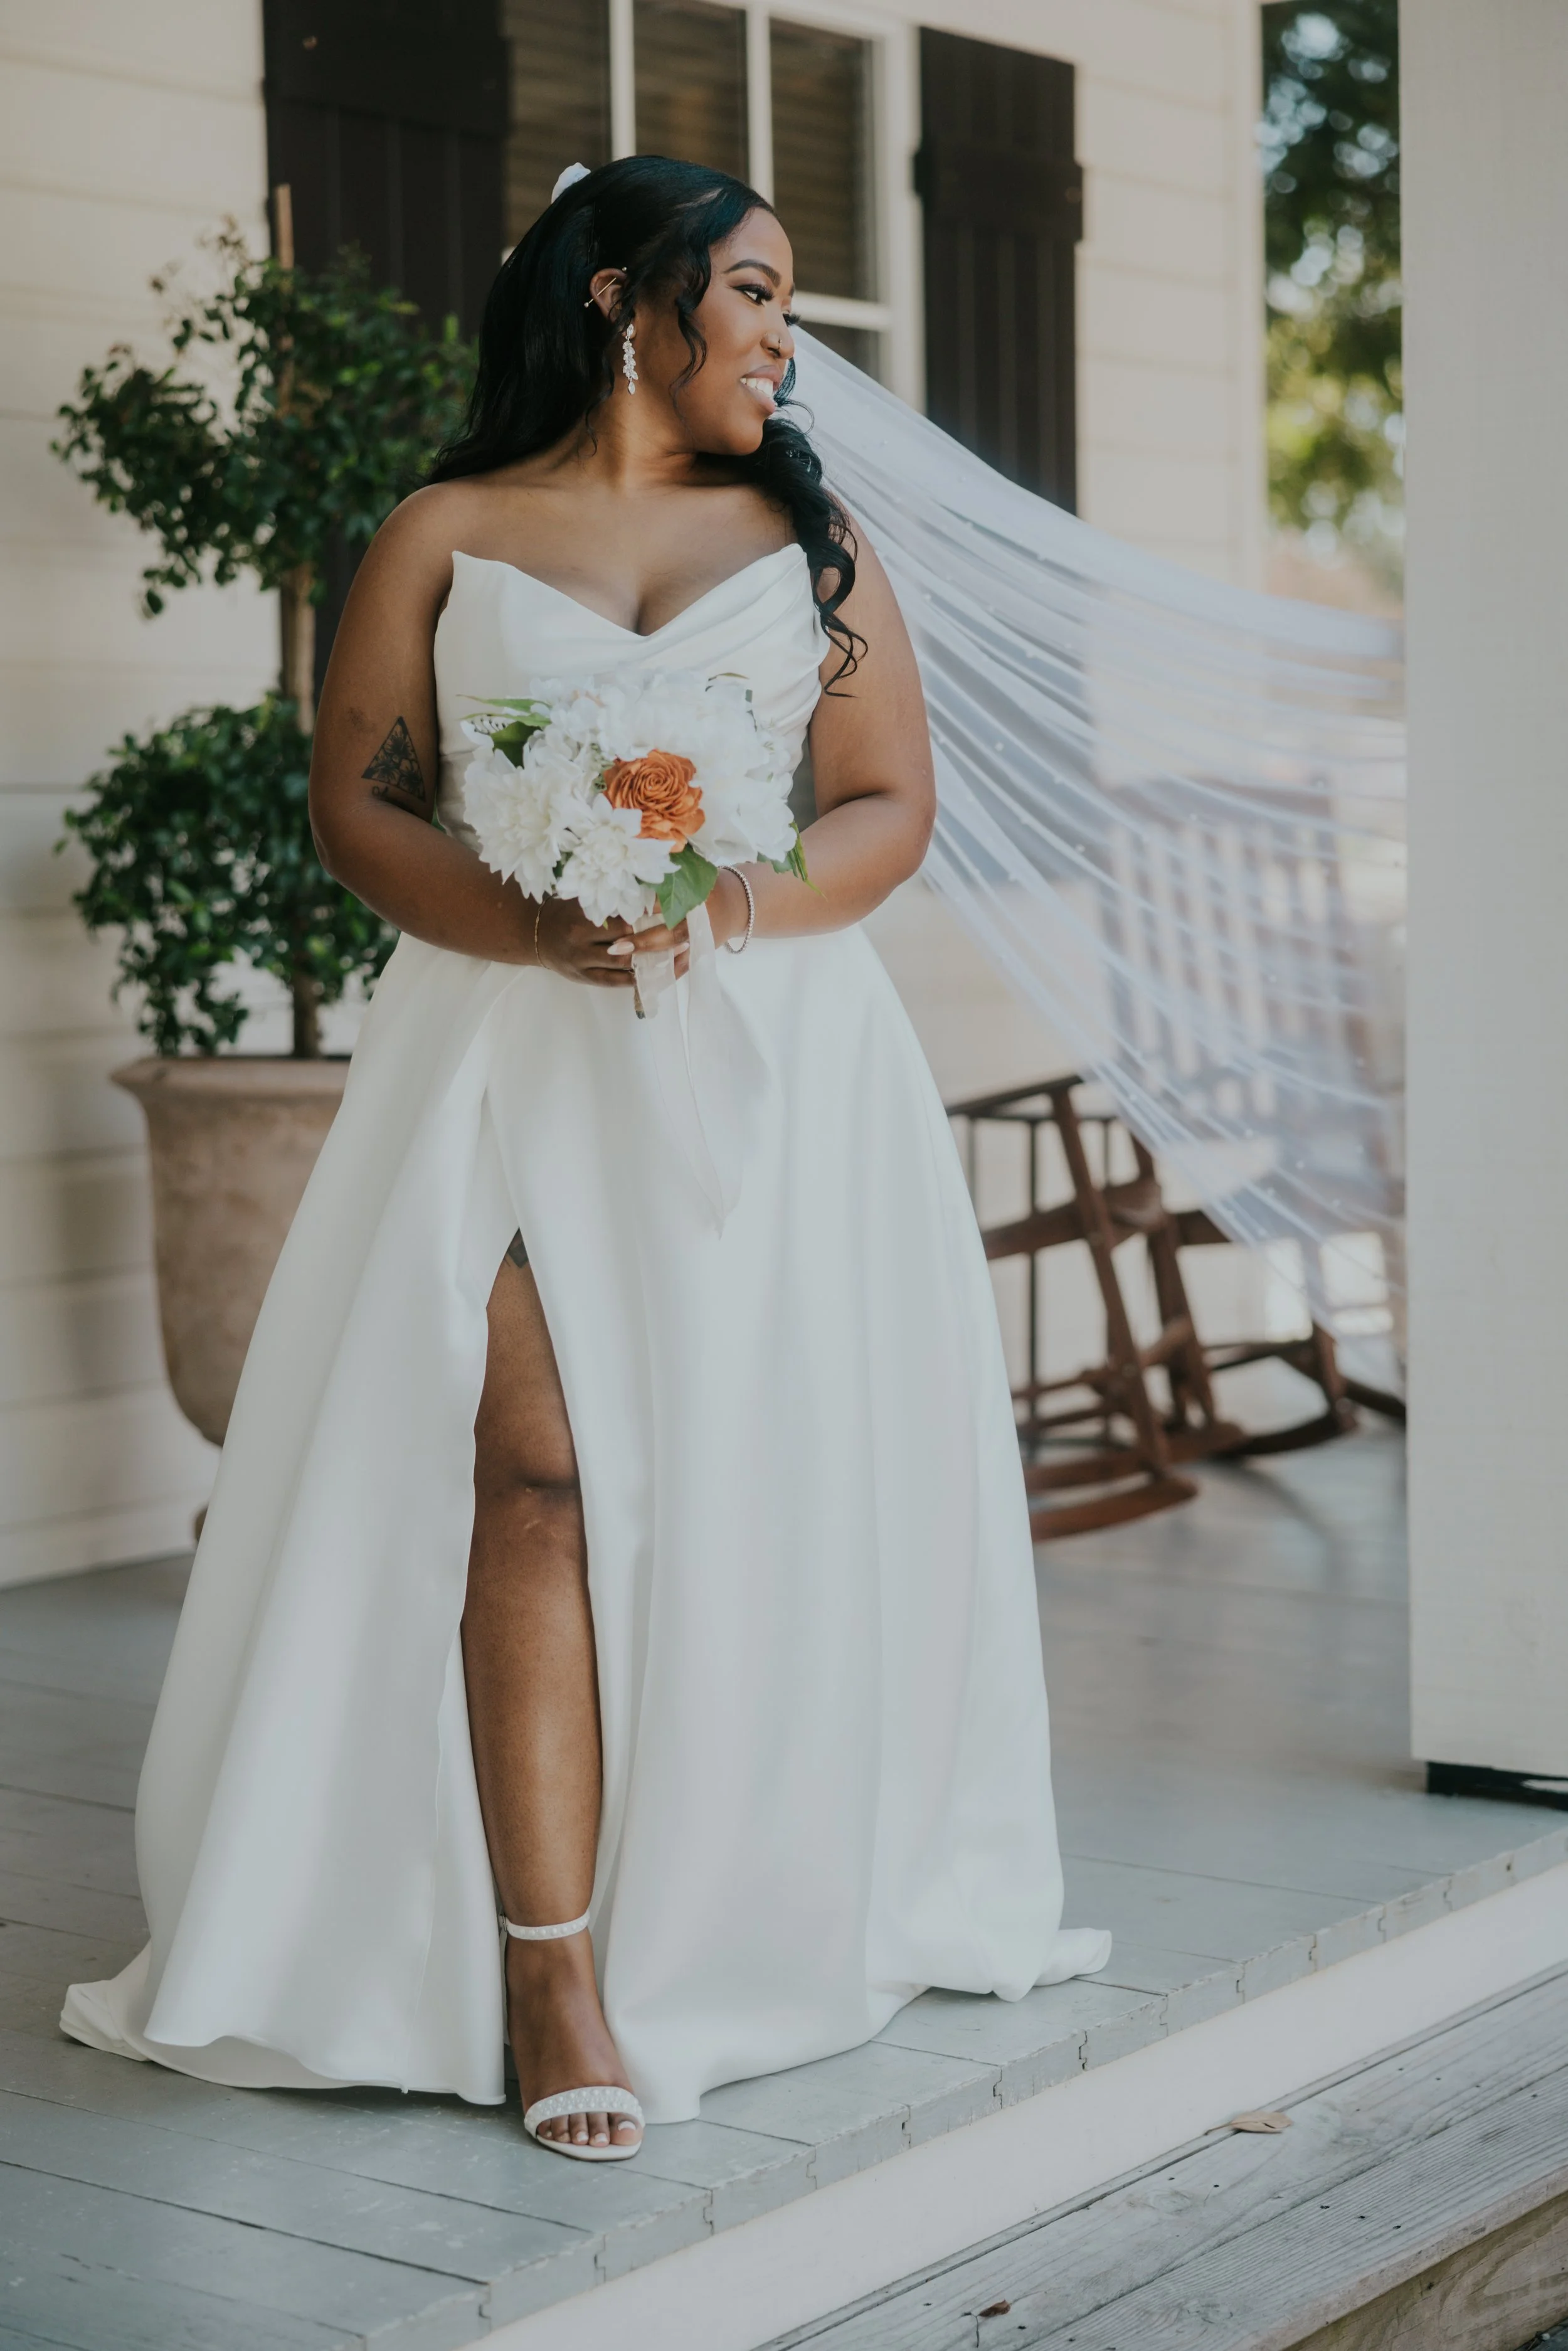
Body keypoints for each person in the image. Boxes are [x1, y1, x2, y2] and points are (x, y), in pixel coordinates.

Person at [61, 157, 1108, 2165]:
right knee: (525, 1462)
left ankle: (744, 1904)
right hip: (507, 1045)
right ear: (627, 299)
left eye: (791, 302)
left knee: (739, 1492)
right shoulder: (445, 531)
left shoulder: (808, 540)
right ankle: (552, 1962)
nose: (787, 338)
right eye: (758, 293)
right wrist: (527, 918)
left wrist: (720, 901)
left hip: (771, 1065)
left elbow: (886, 808)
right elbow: (360, 805)